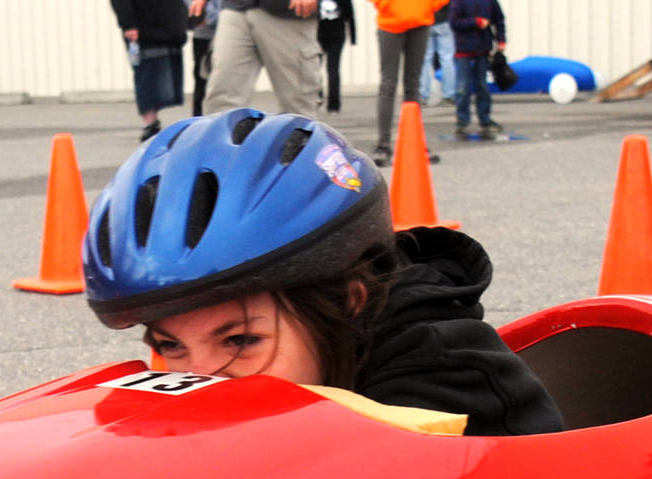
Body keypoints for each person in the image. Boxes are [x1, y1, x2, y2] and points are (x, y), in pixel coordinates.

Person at [82, 110, 562, 438]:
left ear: (348, 303)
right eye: (171, 345)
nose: (202, 381)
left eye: (241, 341)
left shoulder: (450, 389)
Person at [198, 0, 321, 119]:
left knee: (298, 104)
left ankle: (301, 138)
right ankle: (219, 137)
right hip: (235, 8)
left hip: (287, 12)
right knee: (222, 94)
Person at [369, 0, 445, 167]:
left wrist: (426, 6)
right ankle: (383, 145)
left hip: (420, 20)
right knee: (388, 84)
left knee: (413, 85)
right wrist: (386, 5)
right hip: (390, 22)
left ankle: (416, 145)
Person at [114, 0, 188, 142]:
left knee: (165, 79)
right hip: (144, 30)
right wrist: (128, 24)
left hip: (169, 28)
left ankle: (155, 123)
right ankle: (150, 123)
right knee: (146, 77)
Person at [447, 0, 504, 139]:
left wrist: (501, 39)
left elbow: (499, 19)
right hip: (463, 50)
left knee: (482, 85)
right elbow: (454, 23)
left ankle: (485, 119)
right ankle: (462, 120)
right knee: (463, 87)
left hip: (482, 49)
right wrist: (475, 22)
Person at [316, 0, 353, 114]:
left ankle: (333, 104)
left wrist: (353, 36)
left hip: (335, 35)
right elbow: (350, 15)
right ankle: (318, 98)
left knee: (332, 69)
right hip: (320, 34)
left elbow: (349, 14)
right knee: (316, 68)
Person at [418, 3, 454, 107]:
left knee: (425, 59)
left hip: (426, 20)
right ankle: (449, 95)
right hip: (445, 20)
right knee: (447, 58)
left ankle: (423, 95)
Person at [188, 0, 220, 116]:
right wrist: (198, 15)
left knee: (223, 77)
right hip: (204, 35)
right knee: (201, 78)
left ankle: (219, 115)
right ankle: (198, 117)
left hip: (227, 32)